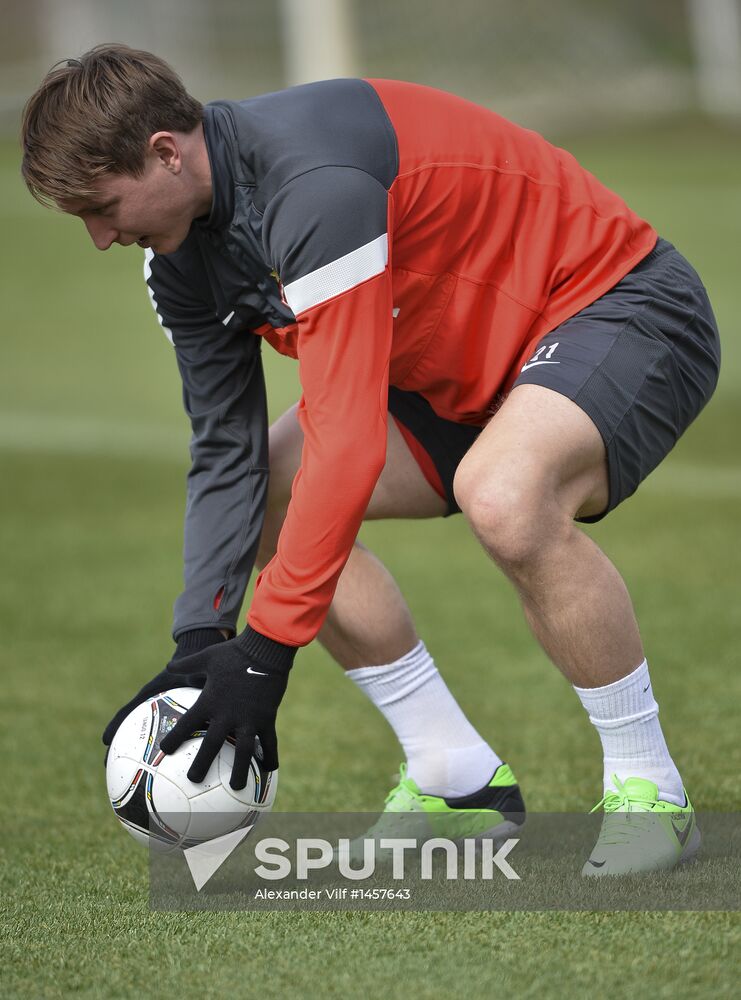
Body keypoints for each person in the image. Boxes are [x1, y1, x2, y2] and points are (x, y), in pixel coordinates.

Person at [21, 44, 720, 876]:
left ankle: (650, 790)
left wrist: (266, 650)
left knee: (503, 495)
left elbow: (347, 439)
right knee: (270, 487)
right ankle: (452, 776)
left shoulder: (311, 185)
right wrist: (200, 636)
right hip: (450, 376)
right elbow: (226, 450)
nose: (101, 238)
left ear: (165, 152)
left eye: (102, 207)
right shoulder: (177, 264)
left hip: (619, 305)